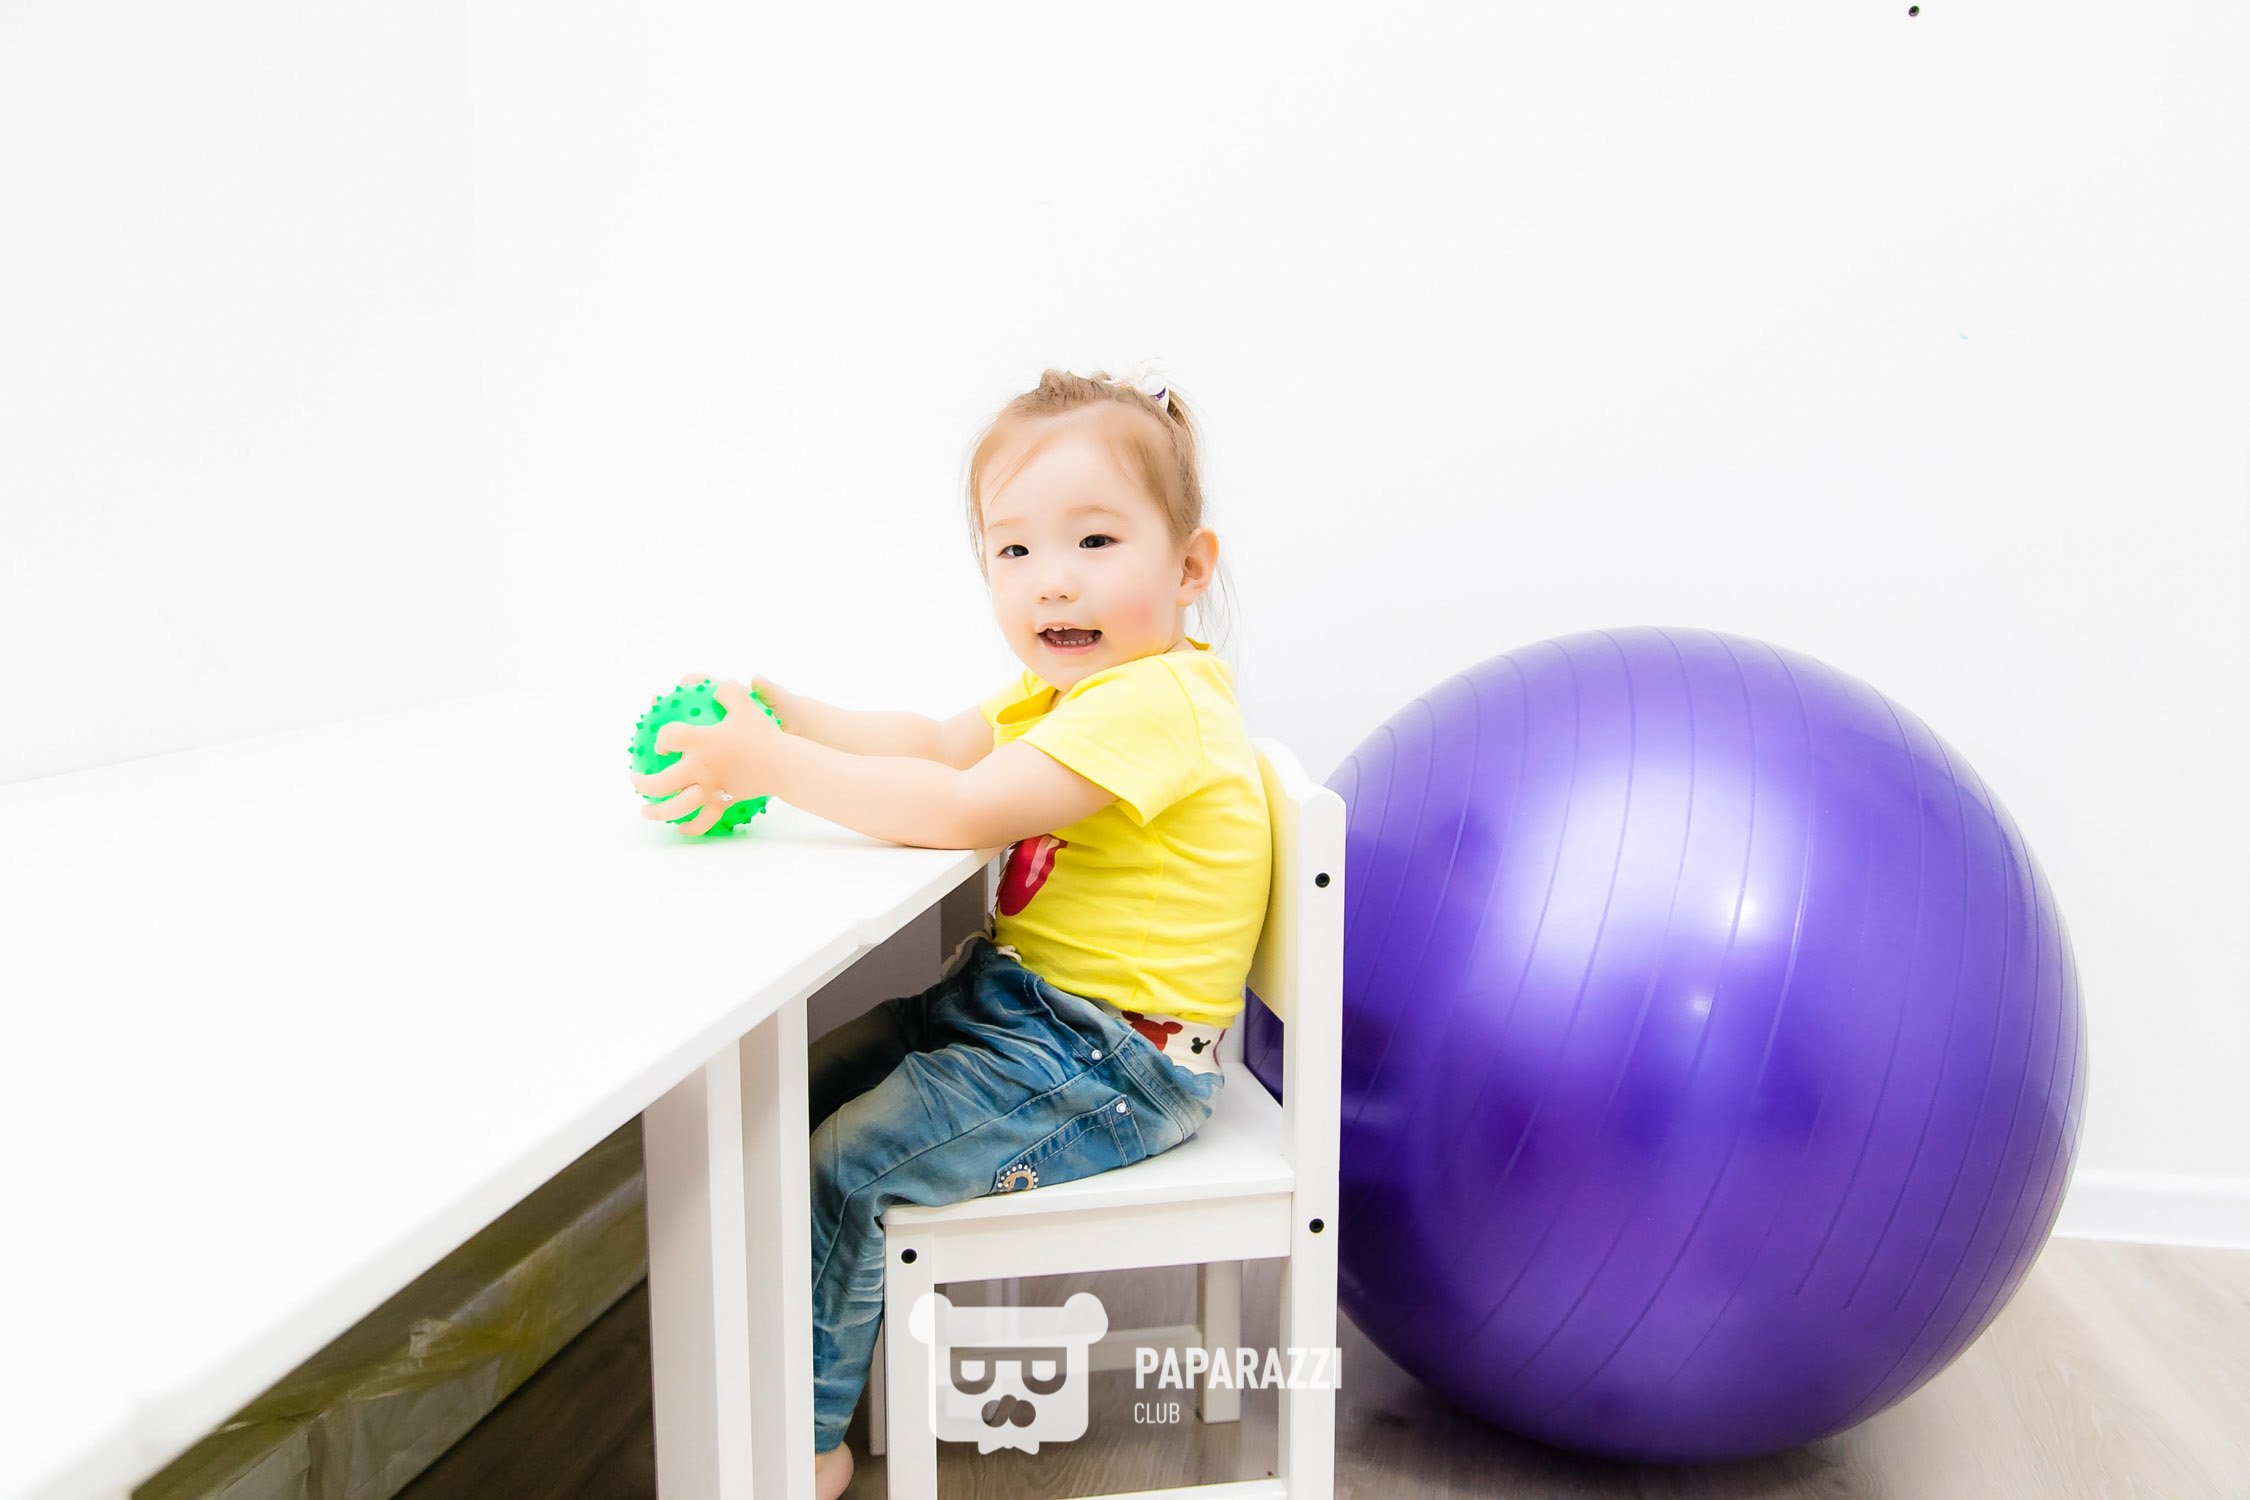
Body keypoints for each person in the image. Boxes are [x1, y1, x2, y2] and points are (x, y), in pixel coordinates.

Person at [628, 363, 1270, 1499]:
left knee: (846, 1167)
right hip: (1022, 1012)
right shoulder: (1071, 692)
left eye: (1094, 541)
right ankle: (772, 1370)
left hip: (1110, 1060)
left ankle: (808, 1448)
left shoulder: (1154, 704)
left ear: (1188, 567)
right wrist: (792, 720)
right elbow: (933, 745)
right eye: (1013, 549)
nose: (1051, 579)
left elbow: (961, 811)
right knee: (780, 1102)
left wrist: (772, 767)